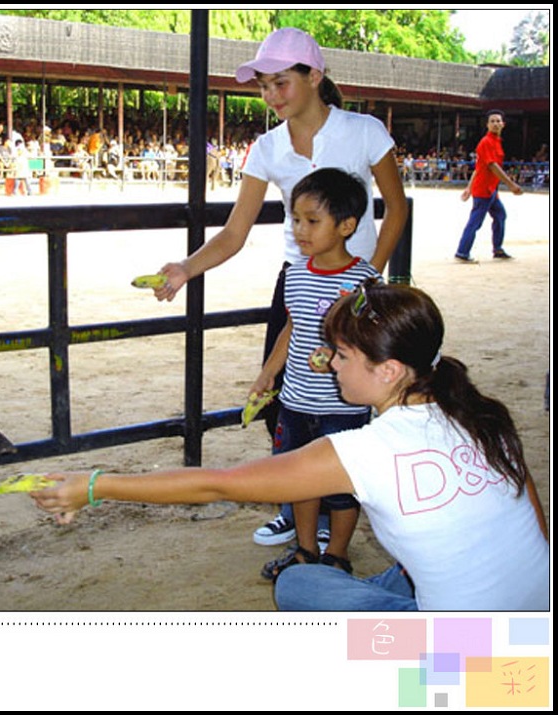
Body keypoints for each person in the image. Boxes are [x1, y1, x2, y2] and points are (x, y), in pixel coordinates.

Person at [31, 281, 549, 611]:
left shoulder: (365, 451)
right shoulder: (485, 417)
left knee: (301, 586)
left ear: (389, 370)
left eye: (342, 354)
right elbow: (538, 532)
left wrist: (95, 486)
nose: (329, 361)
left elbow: (219, 483)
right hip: (533, 629)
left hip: (463, 668)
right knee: (419, 562)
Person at [152, 27, 408, 547]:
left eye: (280, 83)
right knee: (283, 396)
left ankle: (353, 499)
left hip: (359, 287)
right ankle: (299, 505)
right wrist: (185, 268)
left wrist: (367, 282)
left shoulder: (363, 131)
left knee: (362, 396)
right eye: (264, 86)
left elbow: (396, 206)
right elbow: (234, 232)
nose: (271, 96)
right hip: (300, 281)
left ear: (314, 77)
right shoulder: (267, 147)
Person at [250, 168, 381, 580]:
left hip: (342, 406)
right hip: (295, 402)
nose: (300, 229)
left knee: (342, 487)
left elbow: (372, 342)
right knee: (298, 479)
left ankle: (337, 554)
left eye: (312, 220)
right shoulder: (295, 274)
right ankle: (305, 550)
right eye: (295, 219)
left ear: (346, 225)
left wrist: (338, 353)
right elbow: (293, 327)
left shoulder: (364, 281)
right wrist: (269, 373)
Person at [454, 109, 523, 263]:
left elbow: (479, 168)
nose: (495, 123)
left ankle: (497, 248)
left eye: (498, 121)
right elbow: (492, 166)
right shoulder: (486, 142)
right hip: (484, 190)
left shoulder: (496, 142)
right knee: (476, 221)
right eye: (492, 121)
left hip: (490, 189)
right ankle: (462, 252)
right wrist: (511, 185)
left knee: (500, 215)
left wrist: (468, 188)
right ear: (487, 125)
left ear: (503, 124)